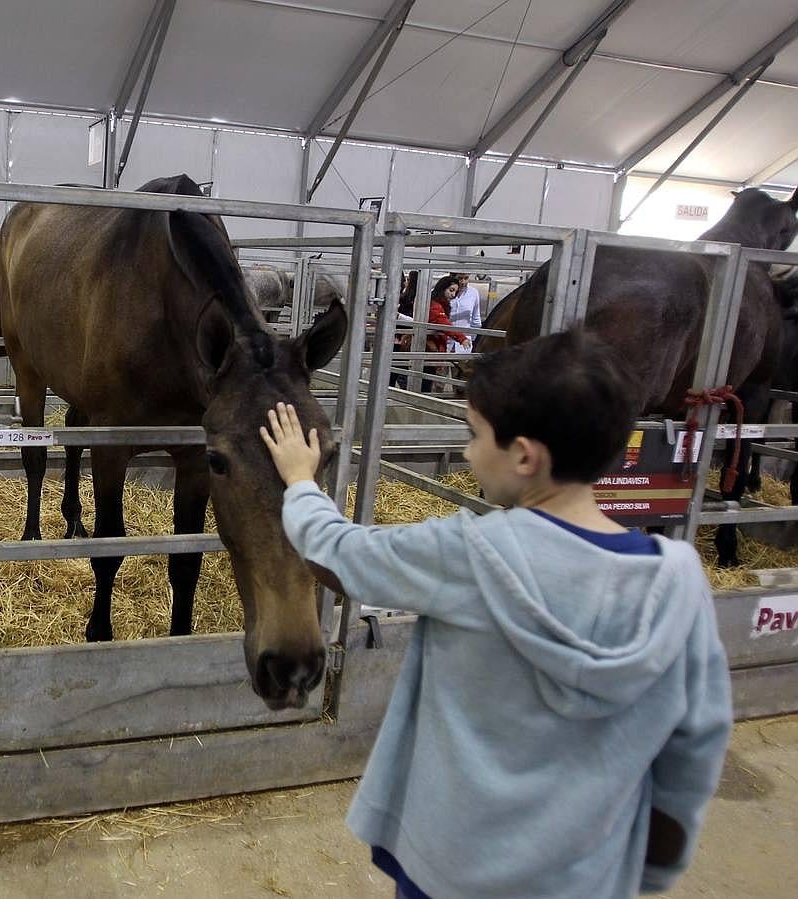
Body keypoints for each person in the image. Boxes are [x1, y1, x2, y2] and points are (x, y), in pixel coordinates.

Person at [259, 329, 732, 899]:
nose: (465, 451)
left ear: (525, 456)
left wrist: (299, 480)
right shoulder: (680, 581)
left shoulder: (472, 555)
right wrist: (645, 872)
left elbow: (336, 555)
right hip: (589, 878)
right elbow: (697, 743)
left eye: (474, 435)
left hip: (453, 867)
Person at [447, 272, 483, 354]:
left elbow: (476, 319)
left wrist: (473, 340)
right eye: (460, 278)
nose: (463, 282)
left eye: (466, 278)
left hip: (464, 344)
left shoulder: (473, 293)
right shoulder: (443, 292)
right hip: (445, 341)